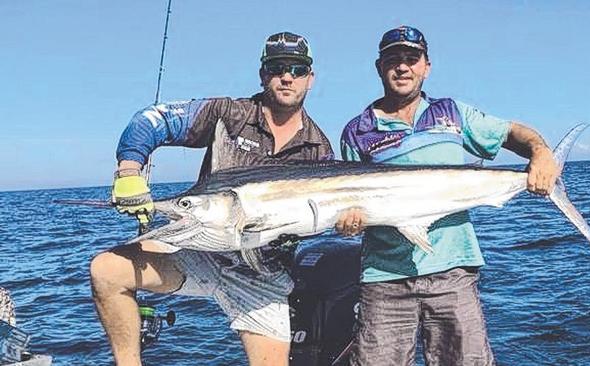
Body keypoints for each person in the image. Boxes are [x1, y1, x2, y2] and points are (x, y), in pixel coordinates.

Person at [90, 31, 346, 366]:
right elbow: (153, 120)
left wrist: (346, 223)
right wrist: (128, 170)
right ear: (262, 74)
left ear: (309, 79)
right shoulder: (228, 114)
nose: (287, 76)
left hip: (263, 275)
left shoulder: (319, 149)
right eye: (277, 67)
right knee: (106, 271)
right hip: (200, 253)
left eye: (297, 69)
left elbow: (319, 222)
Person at [338, 26, 559, 365]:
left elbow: (513, 133)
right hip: (384, 280)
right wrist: (348, 223)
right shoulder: (357, 131)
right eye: (393, 60)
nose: (403, 67)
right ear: (379, 67)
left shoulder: (453, 113)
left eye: (412, 59)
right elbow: (349, 202)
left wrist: (541, 152)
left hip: (453, 273)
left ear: (426, 66)